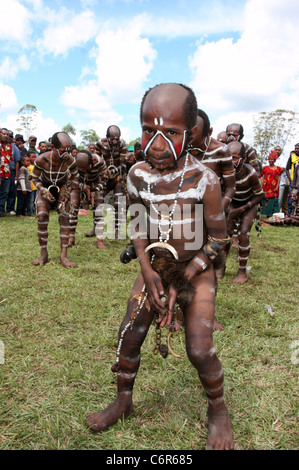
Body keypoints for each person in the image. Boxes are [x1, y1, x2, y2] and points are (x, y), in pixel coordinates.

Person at [86, 83, 234, 450]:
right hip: (154, 266)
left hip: (195, 271)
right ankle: (123, 400)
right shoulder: (137, 175)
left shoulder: (205, 179)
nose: (156, 143)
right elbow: (137, 225)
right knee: (129, 331)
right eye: (149, 130)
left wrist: (183, 277)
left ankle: (219, 409)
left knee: (199, 349)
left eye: (169, 132)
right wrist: (148, 269)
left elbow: (218, 239)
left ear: (192, 133)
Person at [31, 131, 79, 268]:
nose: (67, 155)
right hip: (45, 188)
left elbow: (75, 177)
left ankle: (64, 256)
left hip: (62, 190)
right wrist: (43, 190)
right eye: (63, 151)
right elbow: (34, 178)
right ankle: (43, 254)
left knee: (65, 217)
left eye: (69, 151)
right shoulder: (42, 159)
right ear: (52, 148)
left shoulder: (70, 160)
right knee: (41, 216)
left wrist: (67, 190)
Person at [226, 141, 264, 284]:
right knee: (225, 235)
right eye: (228, 157)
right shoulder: (225, 172)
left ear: (244, 159)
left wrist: (241, 209)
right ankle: (220, 268)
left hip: (249, 205)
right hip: (233, 204)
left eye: (234, 158)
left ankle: (242, 272)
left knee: (243, 234)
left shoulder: (250, 173)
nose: (231, 161)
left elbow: (260, 195)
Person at [68, 149, 108, 249]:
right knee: (73, 208)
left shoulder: (99, 162)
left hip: (96, 183)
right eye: (81, 169)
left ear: (92, 162)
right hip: (79, 184)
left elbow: (105, 179)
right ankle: (71, 237)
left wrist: (95, 189)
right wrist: (83, 187)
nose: (84, 171)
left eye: (86, 168)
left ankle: (100, 240)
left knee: (98, 211)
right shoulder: (73, 163)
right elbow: (71, 180)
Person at [95, 126, 127, 239]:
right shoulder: (100, 144)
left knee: (119, 203)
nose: (115, 142)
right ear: (107, 137)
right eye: (112, 139)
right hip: (104, 177)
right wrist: (103, 173)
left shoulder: (122, 145)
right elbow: (96, 160)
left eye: (117, 139)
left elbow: (123, 165)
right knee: (97, 202)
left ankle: (118, 230)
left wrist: (113, 171)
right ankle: (96, 228)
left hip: (117, 177)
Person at [260, 151, 283, 218]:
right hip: (266, 187)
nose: (270, 160)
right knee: (266, 200)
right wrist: (261, 186)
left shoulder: (278, 169)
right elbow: (263, 177)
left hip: (274, 187)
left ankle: (273, 214)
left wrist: (277, 186)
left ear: (275, 160)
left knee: (273, 200)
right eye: (269, 159)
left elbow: (279, 178)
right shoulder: (265, 168)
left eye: (272, 159)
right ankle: (267, 214)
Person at [5, 131, 21, 215]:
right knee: (3, 191)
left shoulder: (15, 148)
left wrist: (16, 175)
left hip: (11, 172)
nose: (9, 137)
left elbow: (17, 162)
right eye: (7, 135)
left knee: (11, 191)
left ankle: (10, 208)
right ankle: (1, 208)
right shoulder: (1, 147)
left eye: (10, 136)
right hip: (2, 172)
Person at [0, 128, 13, 217]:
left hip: (7, 173)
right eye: (4, 134)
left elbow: (10, 159)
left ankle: (0, 210)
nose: (5, 136)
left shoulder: (9, 146)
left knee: (4, 192)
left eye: (7, 134)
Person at [274, 145, 289, 213]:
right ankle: (271, 213)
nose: (277, 151)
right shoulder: (272, 158)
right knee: (272, 198)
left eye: (279, 150)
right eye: (276, 150)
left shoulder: (284, 158)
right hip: (272, 182)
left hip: (281, 182)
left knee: (280, 199)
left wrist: (272, 169)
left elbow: (282, 169)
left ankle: (277, 213)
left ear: (281, 151)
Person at [27, 151, 38, 216]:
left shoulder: (36, 166)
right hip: (31, 186)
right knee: (30, 200)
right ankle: (30, 212)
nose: (34, 158)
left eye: (35, 157)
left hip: (36, 186)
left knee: (35, 200)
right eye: (32, 157)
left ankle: (34, 210)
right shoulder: (28, 167)